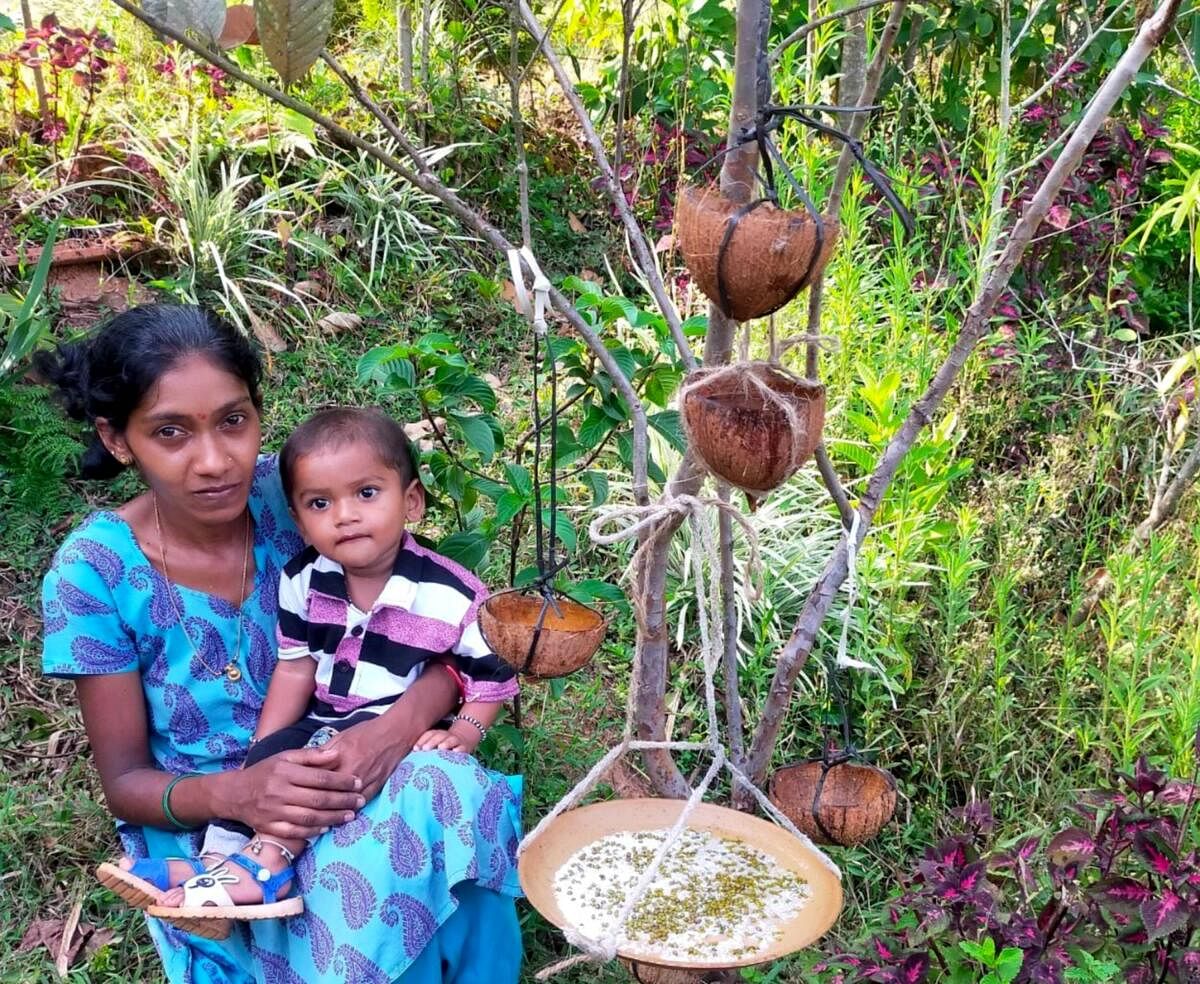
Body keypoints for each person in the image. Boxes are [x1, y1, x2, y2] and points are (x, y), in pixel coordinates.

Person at [38, 304, 524, 984]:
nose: (215, 461)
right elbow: (126, 785)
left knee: (440, 785)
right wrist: (241, 794)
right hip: (213, 810)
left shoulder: (302, 495)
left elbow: (435, 628)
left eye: (233, 421)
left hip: (351, 758)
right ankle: (230, 884)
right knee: (366, 900)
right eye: (170, 432)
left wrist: (395, 729)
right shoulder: (93, 574)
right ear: (118, 440)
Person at [146, 407, 518, 927]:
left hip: (388, 728)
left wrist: (467, 730)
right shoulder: (303, 579)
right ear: (300, 520)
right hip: (321, 716)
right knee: (266, 769)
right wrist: (264, 748)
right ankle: (213, 863)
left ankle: (269, 864)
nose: (345, 515)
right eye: (320, 503)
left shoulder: (450, 594)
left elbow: (492, 673)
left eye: (367, 493)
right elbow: (295, 669)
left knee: (318, 767)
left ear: (411, 502)